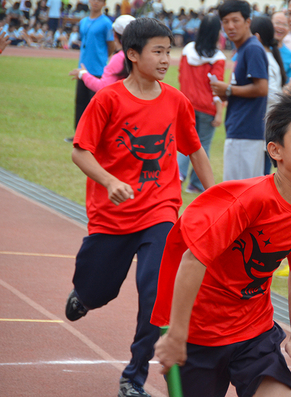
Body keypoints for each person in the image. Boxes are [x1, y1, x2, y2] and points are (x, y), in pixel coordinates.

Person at [64, 18, 215, 397]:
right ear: (133, 54)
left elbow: (195, 149)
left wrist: (217, 198)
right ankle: (85, 295)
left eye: (169, 50)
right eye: (158, 51)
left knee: (156, 293)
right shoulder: (108, 99)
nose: (166, 59)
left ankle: (133, 377)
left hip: (160, 212)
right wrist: (111, 181)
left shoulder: (176, 100)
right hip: (110, 217)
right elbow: (80, 151)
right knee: (98, 290)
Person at [151, 90, 291, 396]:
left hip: (254, 332)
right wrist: (176, 334)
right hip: (199, 333)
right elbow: (193, 259)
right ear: (276, 151)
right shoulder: (249, 201)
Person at [210, 0, 269, 182]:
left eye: (235, 20)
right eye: (225, 22)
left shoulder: (252, 48)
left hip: (246, 132)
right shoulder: (244, 49)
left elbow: (262, 88)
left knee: (240, 193)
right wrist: (226, 92)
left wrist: (228, 89)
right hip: (240, 129)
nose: (230, 26)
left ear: (248, 22)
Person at [178, 14, 225, 194]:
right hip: (207, 107)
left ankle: (179, 175)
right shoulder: (217, 57)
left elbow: (182, 75)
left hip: (186, 104)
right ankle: (196, 184)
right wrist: (219, 112)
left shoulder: (187, 50)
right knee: (202, 145)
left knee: (184, 143)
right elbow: (217, 86)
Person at [65, 0, 115, 143]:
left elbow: (110, 45)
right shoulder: (83, 22)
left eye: (99, 0)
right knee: (80, 102)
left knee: (95, 105)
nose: (95, 2)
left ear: (104, 3)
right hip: (83, 68)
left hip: (98, 69)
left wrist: (102, 57)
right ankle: (78, 135)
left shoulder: (106, 23)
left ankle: (95, 136)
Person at [251, 16, 287, 175]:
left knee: (260, 174)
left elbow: (272, 93)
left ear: (256, 37)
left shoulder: (264, 58)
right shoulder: (271, 57)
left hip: (264, 123)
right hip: (266, 122)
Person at [68, 15, 135, 92]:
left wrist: (83, 74)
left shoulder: (119, 58)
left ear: (115, 35)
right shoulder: (139, 55)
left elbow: (103, 87)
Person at [272, 10, 291, 82]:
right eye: (277, 23)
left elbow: (287, 81)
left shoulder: (289, 54)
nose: (280, 27)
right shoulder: (262, 47)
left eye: (285, 24)